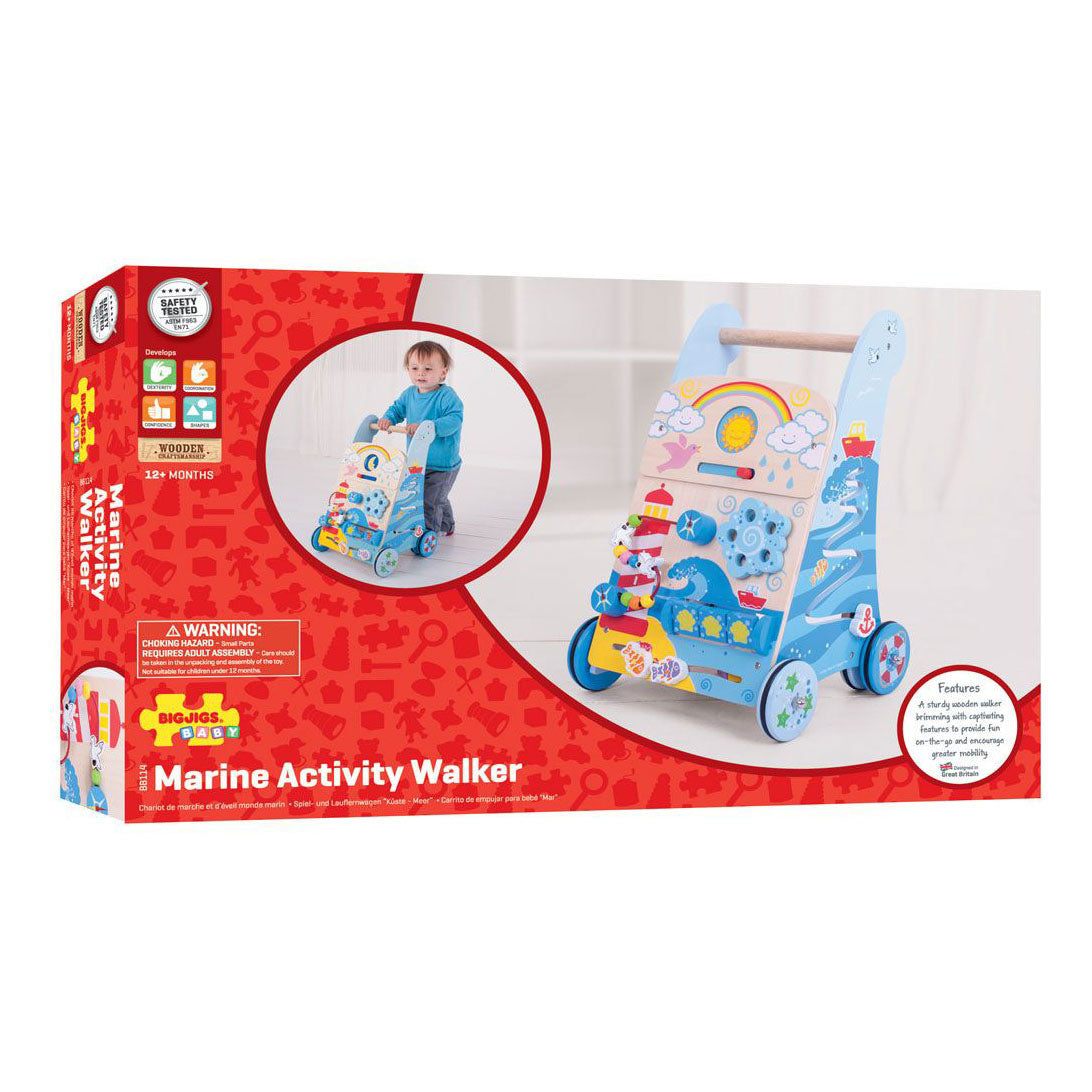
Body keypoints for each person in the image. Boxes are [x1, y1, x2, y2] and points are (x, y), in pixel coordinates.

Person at [376, 340, 463, 536]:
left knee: (431, 500)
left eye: (428, 369)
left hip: (442, 464)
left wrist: (429, 427)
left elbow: (455, 419)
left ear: (443, 373)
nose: (420, 373)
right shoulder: (409, 394)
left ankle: (428, 533)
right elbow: (396, 409)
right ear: (408, 369)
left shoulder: (446, 396)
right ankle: (447, 524)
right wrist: (388, 419)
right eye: (415, 368)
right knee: (431, 496)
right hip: (418, 461)